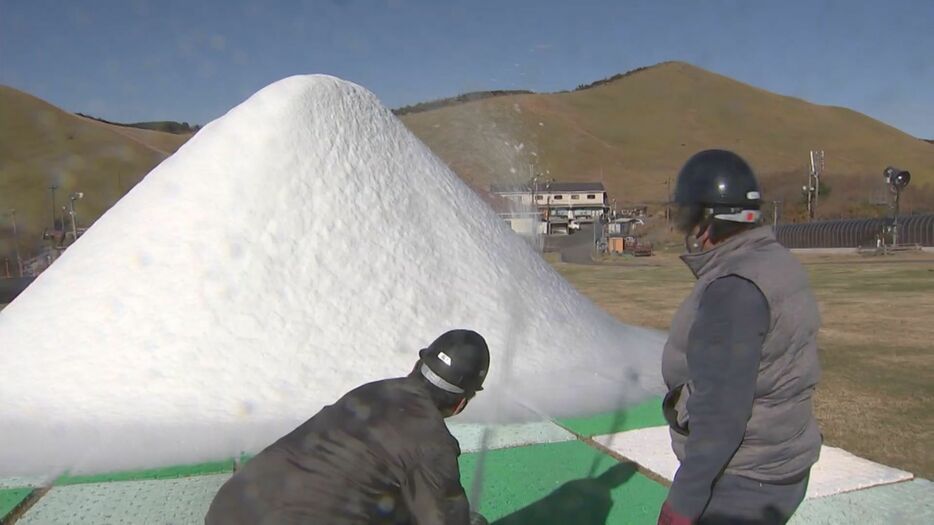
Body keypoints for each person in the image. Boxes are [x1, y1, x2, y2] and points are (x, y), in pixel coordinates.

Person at [658, 150, 822, 525]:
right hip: (783, 463)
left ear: (707, 222)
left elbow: (720, 416)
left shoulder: (733, 289)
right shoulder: (776, 261)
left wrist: (681, 507)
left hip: (746, 479)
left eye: (688, 217)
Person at [205, 329, 491, 525]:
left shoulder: (370, 393)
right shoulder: (432, 441)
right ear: (460, 403)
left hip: (231, 510)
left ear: (418, 363)